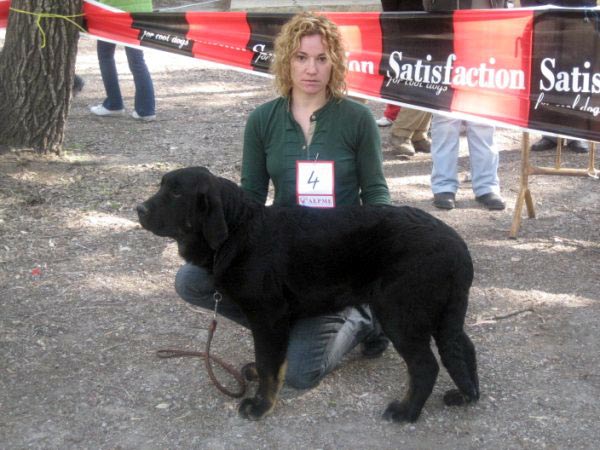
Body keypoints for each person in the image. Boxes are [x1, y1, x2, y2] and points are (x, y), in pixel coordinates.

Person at [175, 12, 392, 390]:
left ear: (335, 63)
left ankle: (365, 317)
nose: (311, 69)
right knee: (191, 280)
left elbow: (375, 192)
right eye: (301, 57)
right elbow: (251, 198)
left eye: (322, 58)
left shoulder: (358, 119)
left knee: (298, 374)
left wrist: (381, 256)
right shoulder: (262, 120)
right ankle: (279, 321)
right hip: (287, 252)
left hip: (341, 259)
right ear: (286, 61)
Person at [425, 0, 506, 210]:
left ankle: (487, 186)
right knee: (445, 117)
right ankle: (443, 186)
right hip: (445, 24)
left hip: (486, 28)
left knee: (483, 117)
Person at [520, 0, 592, 154]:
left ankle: (576, 134)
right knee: (546, 71)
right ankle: (549, 133)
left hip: (579, 10)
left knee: (577, 71)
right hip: (544, 10)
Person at [377, 0, 433, 156]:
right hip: (410, 22)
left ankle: (418, 133)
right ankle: (402, 133)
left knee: (433, 77)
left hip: (429, 15)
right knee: (420, 75)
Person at [90, 0, 156, 121]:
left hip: (111, 11)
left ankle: (114, 104)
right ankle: (146, 110)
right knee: (137, 61)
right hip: (142, 12)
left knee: (105, 57)